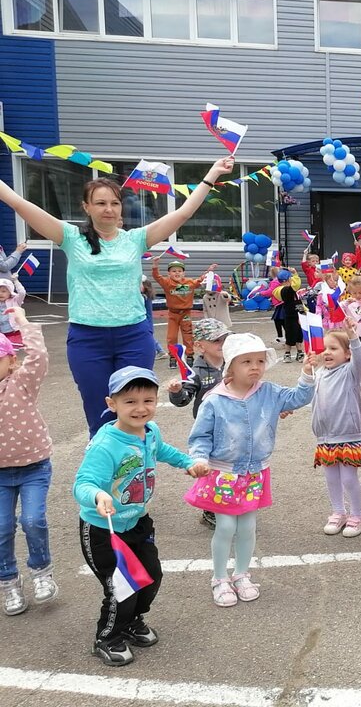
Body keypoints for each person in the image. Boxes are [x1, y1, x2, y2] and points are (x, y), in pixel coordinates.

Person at [0, 158, 234, 436]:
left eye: (114, 203)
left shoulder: (135, 239)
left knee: (136, 411)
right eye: (100, 203)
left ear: (121, 207)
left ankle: (137, 461)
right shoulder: (70, 237)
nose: (108, 209)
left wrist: (212, 174)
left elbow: (183, 213)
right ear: (86, 207)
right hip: (87, 339)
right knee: (99, 412)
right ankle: (103, 461)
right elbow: (19, 203)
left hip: (133, 337)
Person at [74, 366, 209, 666]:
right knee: (121, 587)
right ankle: (107, 637)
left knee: (150, 577)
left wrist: (188, 463)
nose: (140, 408)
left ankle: (131, 621)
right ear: (112, 404)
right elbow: (82, 483)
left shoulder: (150, 432)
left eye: (148, 400)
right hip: (104, 528)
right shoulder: (106, 445)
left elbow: (163, 450)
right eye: (130, 402)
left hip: (138, 520)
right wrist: (98, 496)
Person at [184, 333, 314, 607]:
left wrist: (306, 374)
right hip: (223, 473)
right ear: (230, 365)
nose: (255, 367)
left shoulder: (269, 392)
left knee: (248, 526)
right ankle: (220, 578)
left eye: (260, 361)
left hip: (255, 473)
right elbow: (200, 436)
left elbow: (299, 397)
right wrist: (199, 459)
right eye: (246, 361)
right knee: (225, 526)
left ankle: (241, 574)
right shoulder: (214, 400)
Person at [0, 309, 57, 616]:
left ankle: (41, 572)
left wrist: (23, 323)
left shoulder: (21, 382)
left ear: (11, 360)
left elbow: (38, 357)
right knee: (1, 528)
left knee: (32, 521)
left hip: (34, 467)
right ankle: (8, 581)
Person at [167, 317, 232, 530]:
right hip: (208, 430)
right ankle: (209, 508)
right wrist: (177, 392)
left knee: (232, 464)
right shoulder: (195, 372)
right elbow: (184, 400)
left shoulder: (233, 363)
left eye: (224, 339)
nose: (222, 344)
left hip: (234, 426)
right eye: (216, 340)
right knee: (210, 468)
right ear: (199, 346)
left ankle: (231, 499)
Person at [312, 319, 361, 538]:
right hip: (325, 437)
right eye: (324, 348)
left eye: (333, 348)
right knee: (331, 478)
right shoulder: (318, 374)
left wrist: (352, 336)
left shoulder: (350, 373)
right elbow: (305, 392)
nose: (327, 352)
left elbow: (360, 358)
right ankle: (338, 512)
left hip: (348, 436)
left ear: (347, 354)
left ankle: (357, 515)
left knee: (348, 479)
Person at [151, 256, 214, 369]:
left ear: (184, 273)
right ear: (169, 273)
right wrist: (155, 265)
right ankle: (173, 357)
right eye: (174, 271)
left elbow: (200, 280)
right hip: (173, 314)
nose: (177, 273)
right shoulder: (167, 282)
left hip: (186, 314)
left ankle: (189, 356)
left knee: (188, 335)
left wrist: (208, 272)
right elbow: (157, 276)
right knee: (171, 337)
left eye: (179, 271)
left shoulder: (189, 283)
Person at [0, 279, 26, 348]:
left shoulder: (15, 301)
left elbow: (22, 293)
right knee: (3, 352)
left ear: (10, 292)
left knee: (12, 351)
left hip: (13, 333)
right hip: (2, 334)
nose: (0, 293)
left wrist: (16, 281)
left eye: (4, 291)